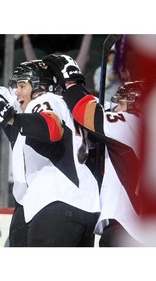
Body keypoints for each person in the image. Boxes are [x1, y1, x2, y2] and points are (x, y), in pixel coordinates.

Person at [0, 34, 100, 247]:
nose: (16, 92)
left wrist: (9, 117)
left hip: (57, 202)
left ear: (41, 86)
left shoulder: (46, 99)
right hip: (65, 204)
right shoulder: (35, 106)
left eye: (22, 85)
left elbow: (51, 128)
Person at [55, 70, 145, 246]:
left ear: (133, 104)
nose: (115, 108)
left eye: (119, 104)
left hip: (127, 228)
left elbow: (88, 114)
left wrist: (72, 85)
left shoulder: (132, 123)